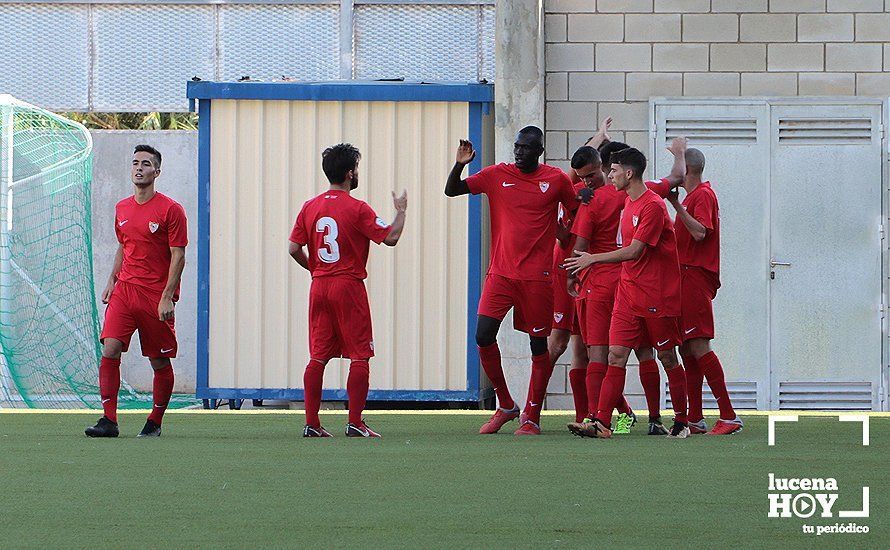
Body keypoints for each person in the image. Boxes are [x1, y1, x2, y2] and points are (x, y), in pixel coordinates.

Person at [445, 126, 579, 435]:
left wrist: (566, 239)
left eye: (526, 148)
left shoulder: (556, 180)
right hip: (501, 274)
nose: (519, 152)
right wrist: (459, 164)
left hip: (538, 278)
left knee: (537, 346)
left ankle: (531, 416)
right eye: (516, 147)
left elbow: (575, 213)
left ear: (539, 152)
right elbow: (452, 190)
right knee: (482, 336)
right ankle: (506, 404)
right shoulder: (496, 175)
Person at [564, 139, 691, 439]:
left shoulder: (653, 206)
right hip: (626, 293)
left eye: (614, 171)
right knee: (615, 356)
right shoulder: (628, 203)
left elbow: (634, 251)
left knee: (667, 357)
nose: (609, 177)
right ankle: (601, 422)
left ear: (629, 174)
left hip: (656, 294)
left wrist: (592, 259)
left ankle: (682, 421)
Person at [289, 143, 407, 438]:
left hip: (319, 285)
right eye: (356, 168)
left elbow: (293, 249)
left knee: (317, 356)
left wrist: (315, 269)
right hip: (348, 285)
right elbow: (390, 237)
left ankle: (312, 424)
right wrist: (401, 212)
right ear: (349, 173)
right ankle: (355, 422)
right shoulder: (357, 207)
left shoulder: (310, 206)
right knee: (359, 355)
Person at [85, 145, 188, 438]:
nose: (139, 167)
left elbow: (179, 256)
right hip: (125, 292)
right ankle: (108, 420)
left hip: (155, 297)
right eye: (135, 163)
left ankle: (155, 421)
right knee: (110, 348)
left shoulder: (171, 210)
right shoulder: (122, 208)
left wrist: (168, 295)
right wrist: (111, 281)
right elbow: (124, 245)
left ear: (157, 172)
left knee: (158, 360)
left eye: (146, 163)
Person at [666, 148, 743, 435]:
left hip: (694, 276)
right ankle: (696, 417)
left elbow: (700, 232)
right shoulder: (694, 197)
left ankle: (729, 415)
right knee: (687, 347)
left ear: (689, 171)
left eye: (677, 168)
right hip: (685, 276)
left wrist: (676, 205)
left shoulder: (702, 196)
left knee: (698, 345)